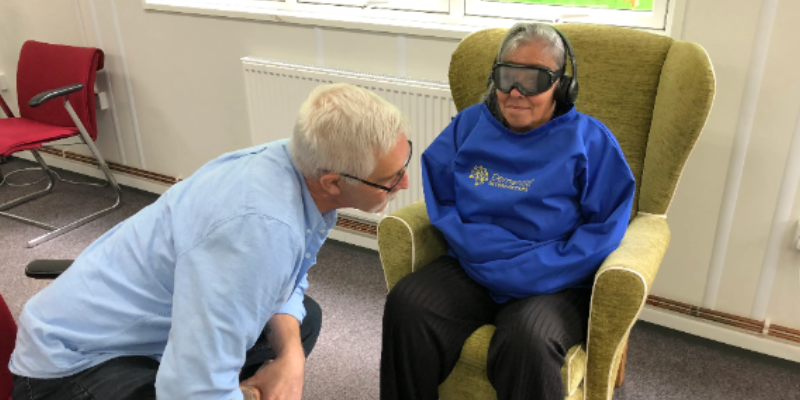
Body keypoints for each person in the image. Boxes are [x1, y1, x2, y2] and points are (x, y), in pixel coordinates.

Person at [10, 83, 412, 400]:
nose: (404, 183)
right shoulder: (259, 232)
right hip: (73, 370)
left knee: (304, 316)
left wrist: (291, 361)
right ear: (333, 182)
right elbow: (191, 390)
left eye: (403, 161)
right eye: (391, 179)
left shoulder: (291, 163)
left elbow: (289, 284)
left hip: (143, 330)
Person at [380, 23, 636, 400]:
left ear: (561, 85)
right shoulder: (468, 126)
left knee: (527, 339)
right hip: (475, 265)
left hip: (552, 279)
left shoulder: (590, 140)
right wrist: (483, 250)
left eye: (532, 79)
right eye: (506, 77)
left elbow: (606, 225)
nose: (515, 92)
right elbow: (442, 198)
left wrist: (539, 267)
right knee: (408, 304)